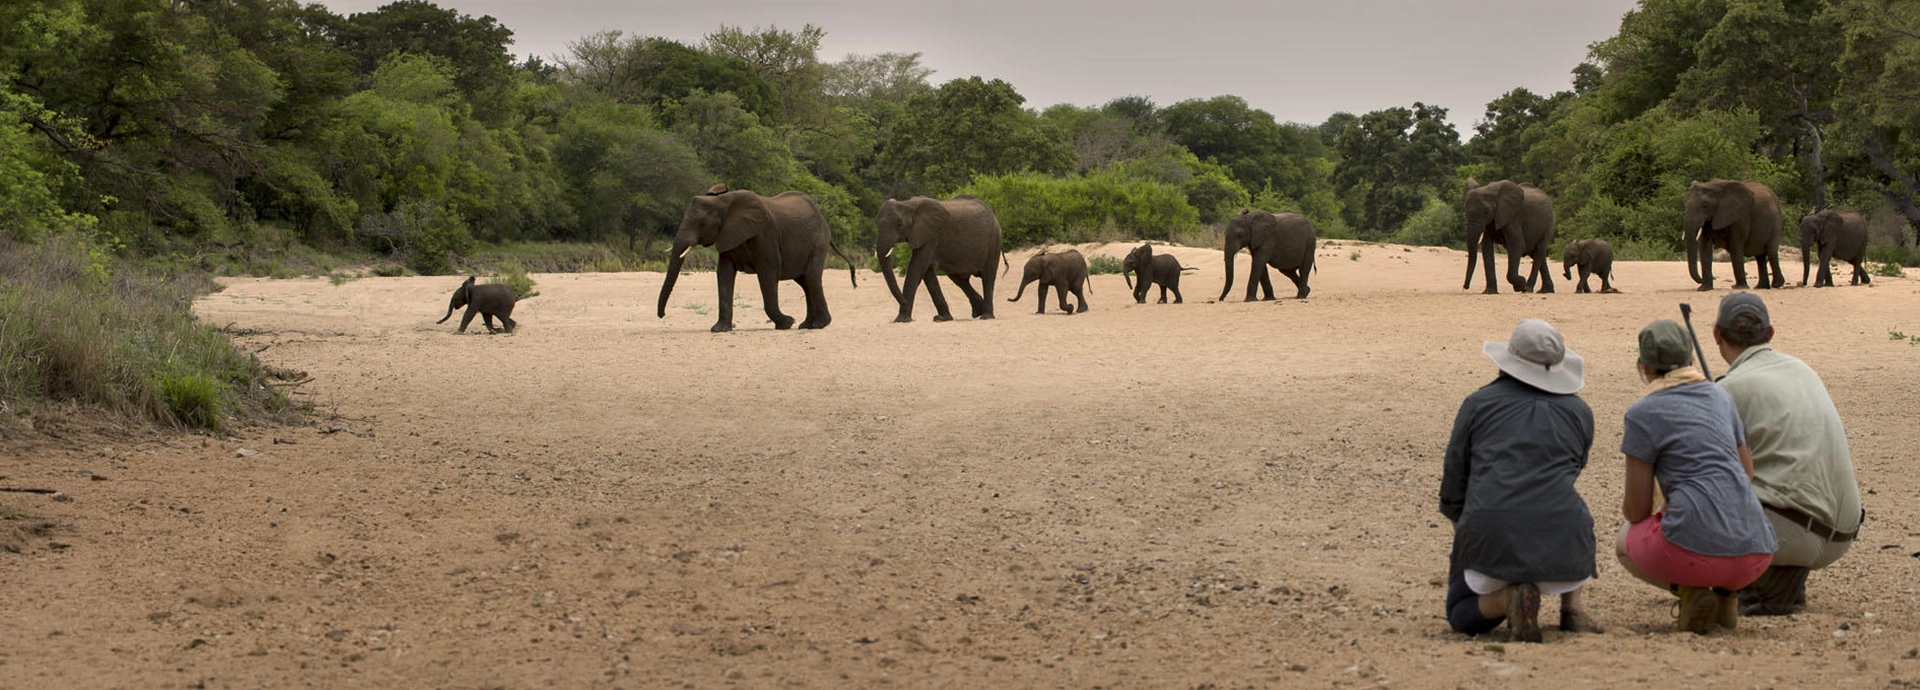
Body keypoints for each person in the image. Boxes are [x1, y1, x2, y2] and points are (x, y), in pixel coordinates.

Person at [1440, 318, 1601, 643]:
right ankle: (1573, 606)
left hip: (1491, 525)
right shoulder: (1579, 411)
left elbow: (1454, 484)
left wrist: (1469, 542)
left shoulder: (1478, 403)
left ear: (1509, 359)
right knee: (1572, 507)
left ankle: (1507, 599)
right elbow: (1572, 468)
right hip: (1564, 537)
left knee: (1459, 612)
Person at [1615, 319, 1777, 634]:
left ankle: (1691, 593)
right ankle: (1726, 598)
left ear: (1644, 367)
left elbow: (1636, 510)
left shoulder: (1641, 413)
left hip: (1694, 553)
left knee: (1626, 540)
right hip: (1757, 553)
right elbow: (1747, 473)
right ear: (1691, 359)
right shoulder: (1720, 397)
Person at [1712, 292, 1864, 615]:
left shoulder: (1727, 389)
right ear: (1769, 334)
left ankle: (1761, 580)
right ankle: (1780, 575)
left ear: (1716, 335)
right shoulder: (1802, 369)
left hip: (1795, 533)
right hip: (1842, 534)